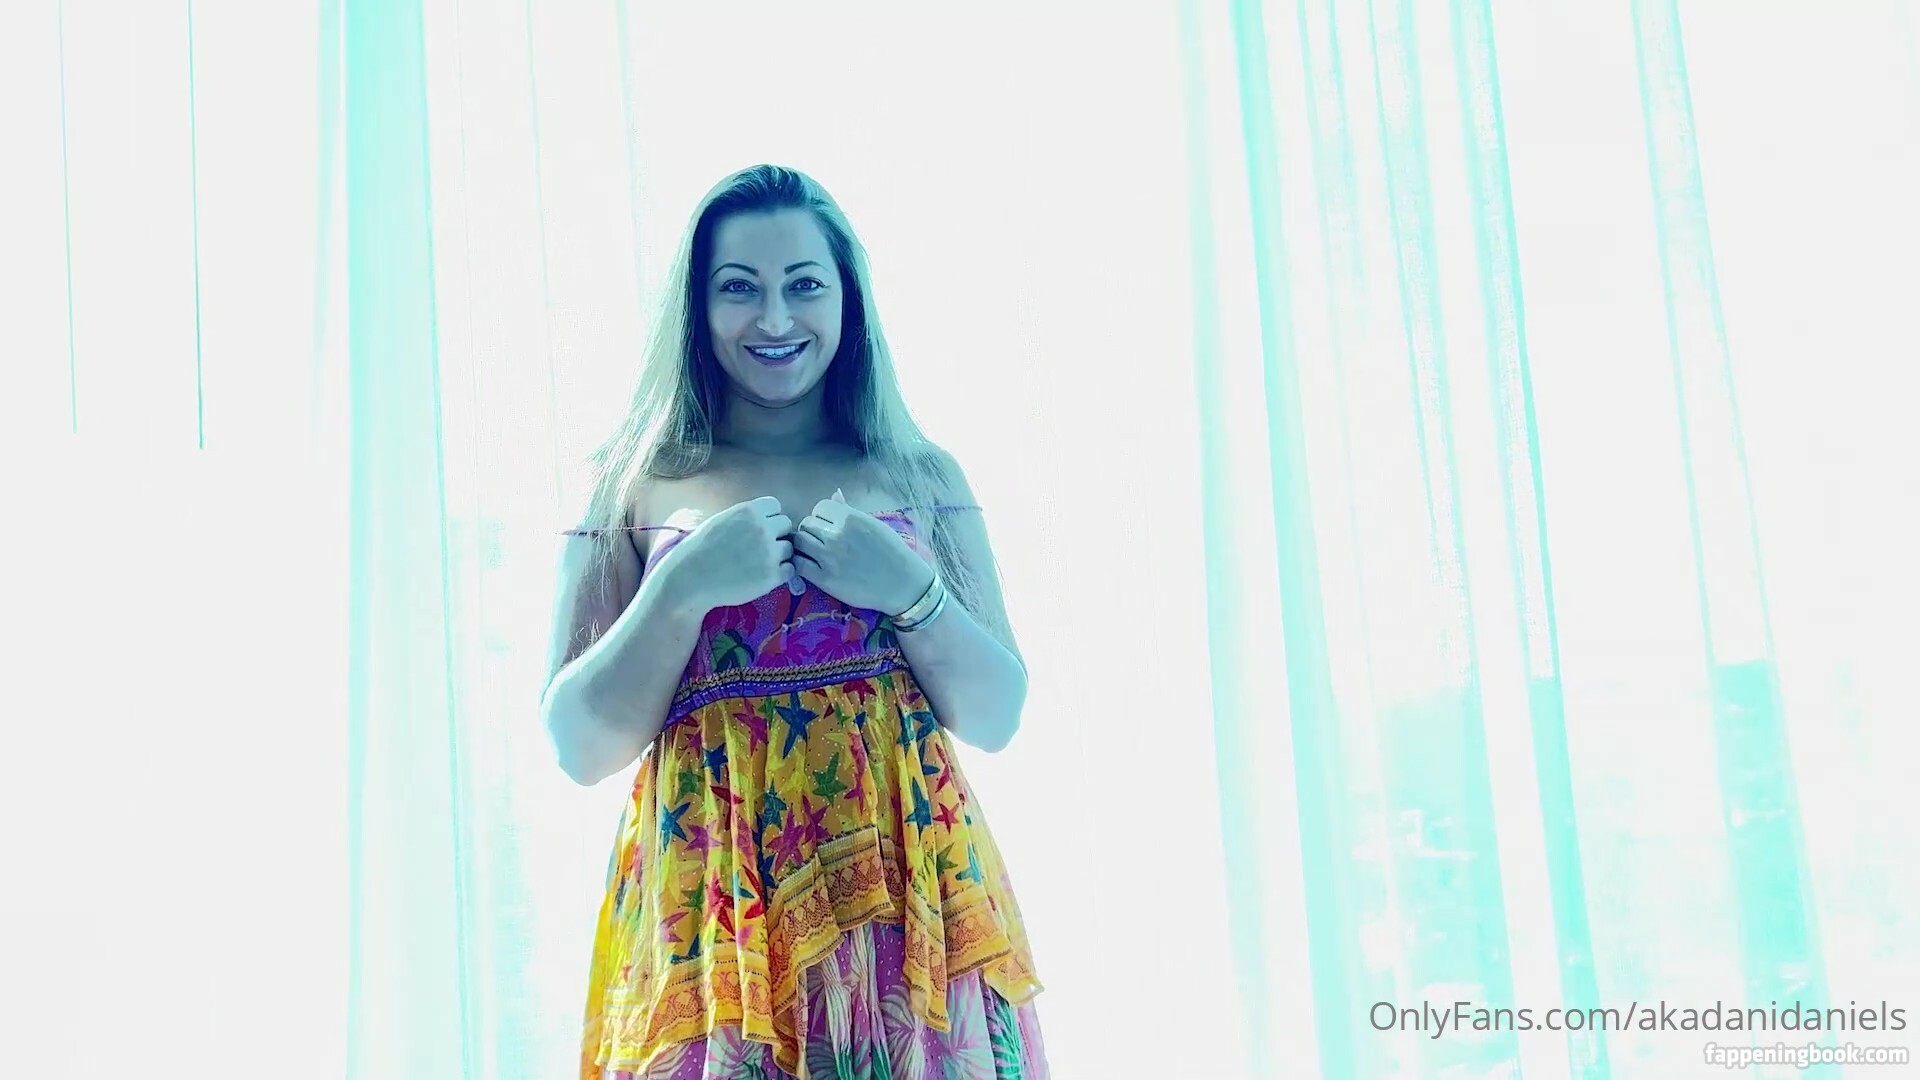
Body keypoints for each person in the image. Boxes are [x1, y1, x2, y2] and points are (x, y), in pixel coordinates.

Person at [542, 164, 1049, 1080]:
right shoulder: (630, 482)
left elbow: (997, 714)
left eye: (804, 285)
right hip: (716, 936)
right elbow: (578, 746)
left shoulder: (922, 476)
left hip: (913, 928)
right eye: (740, 289)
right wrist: (679, 589)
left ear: (847, 298)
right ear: (697, 308)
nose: (775, 319)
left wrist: (910, 590)